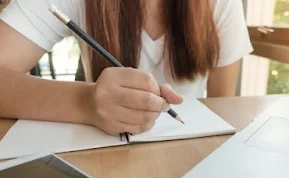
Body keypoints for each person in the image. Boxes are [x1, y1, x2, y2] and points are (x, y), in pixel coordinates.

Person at [0, 0, 253, 135]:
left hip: (188, 154)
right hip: (103, 155)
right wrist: (83, 102)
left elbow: (224, 107)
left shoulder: (220, 3)